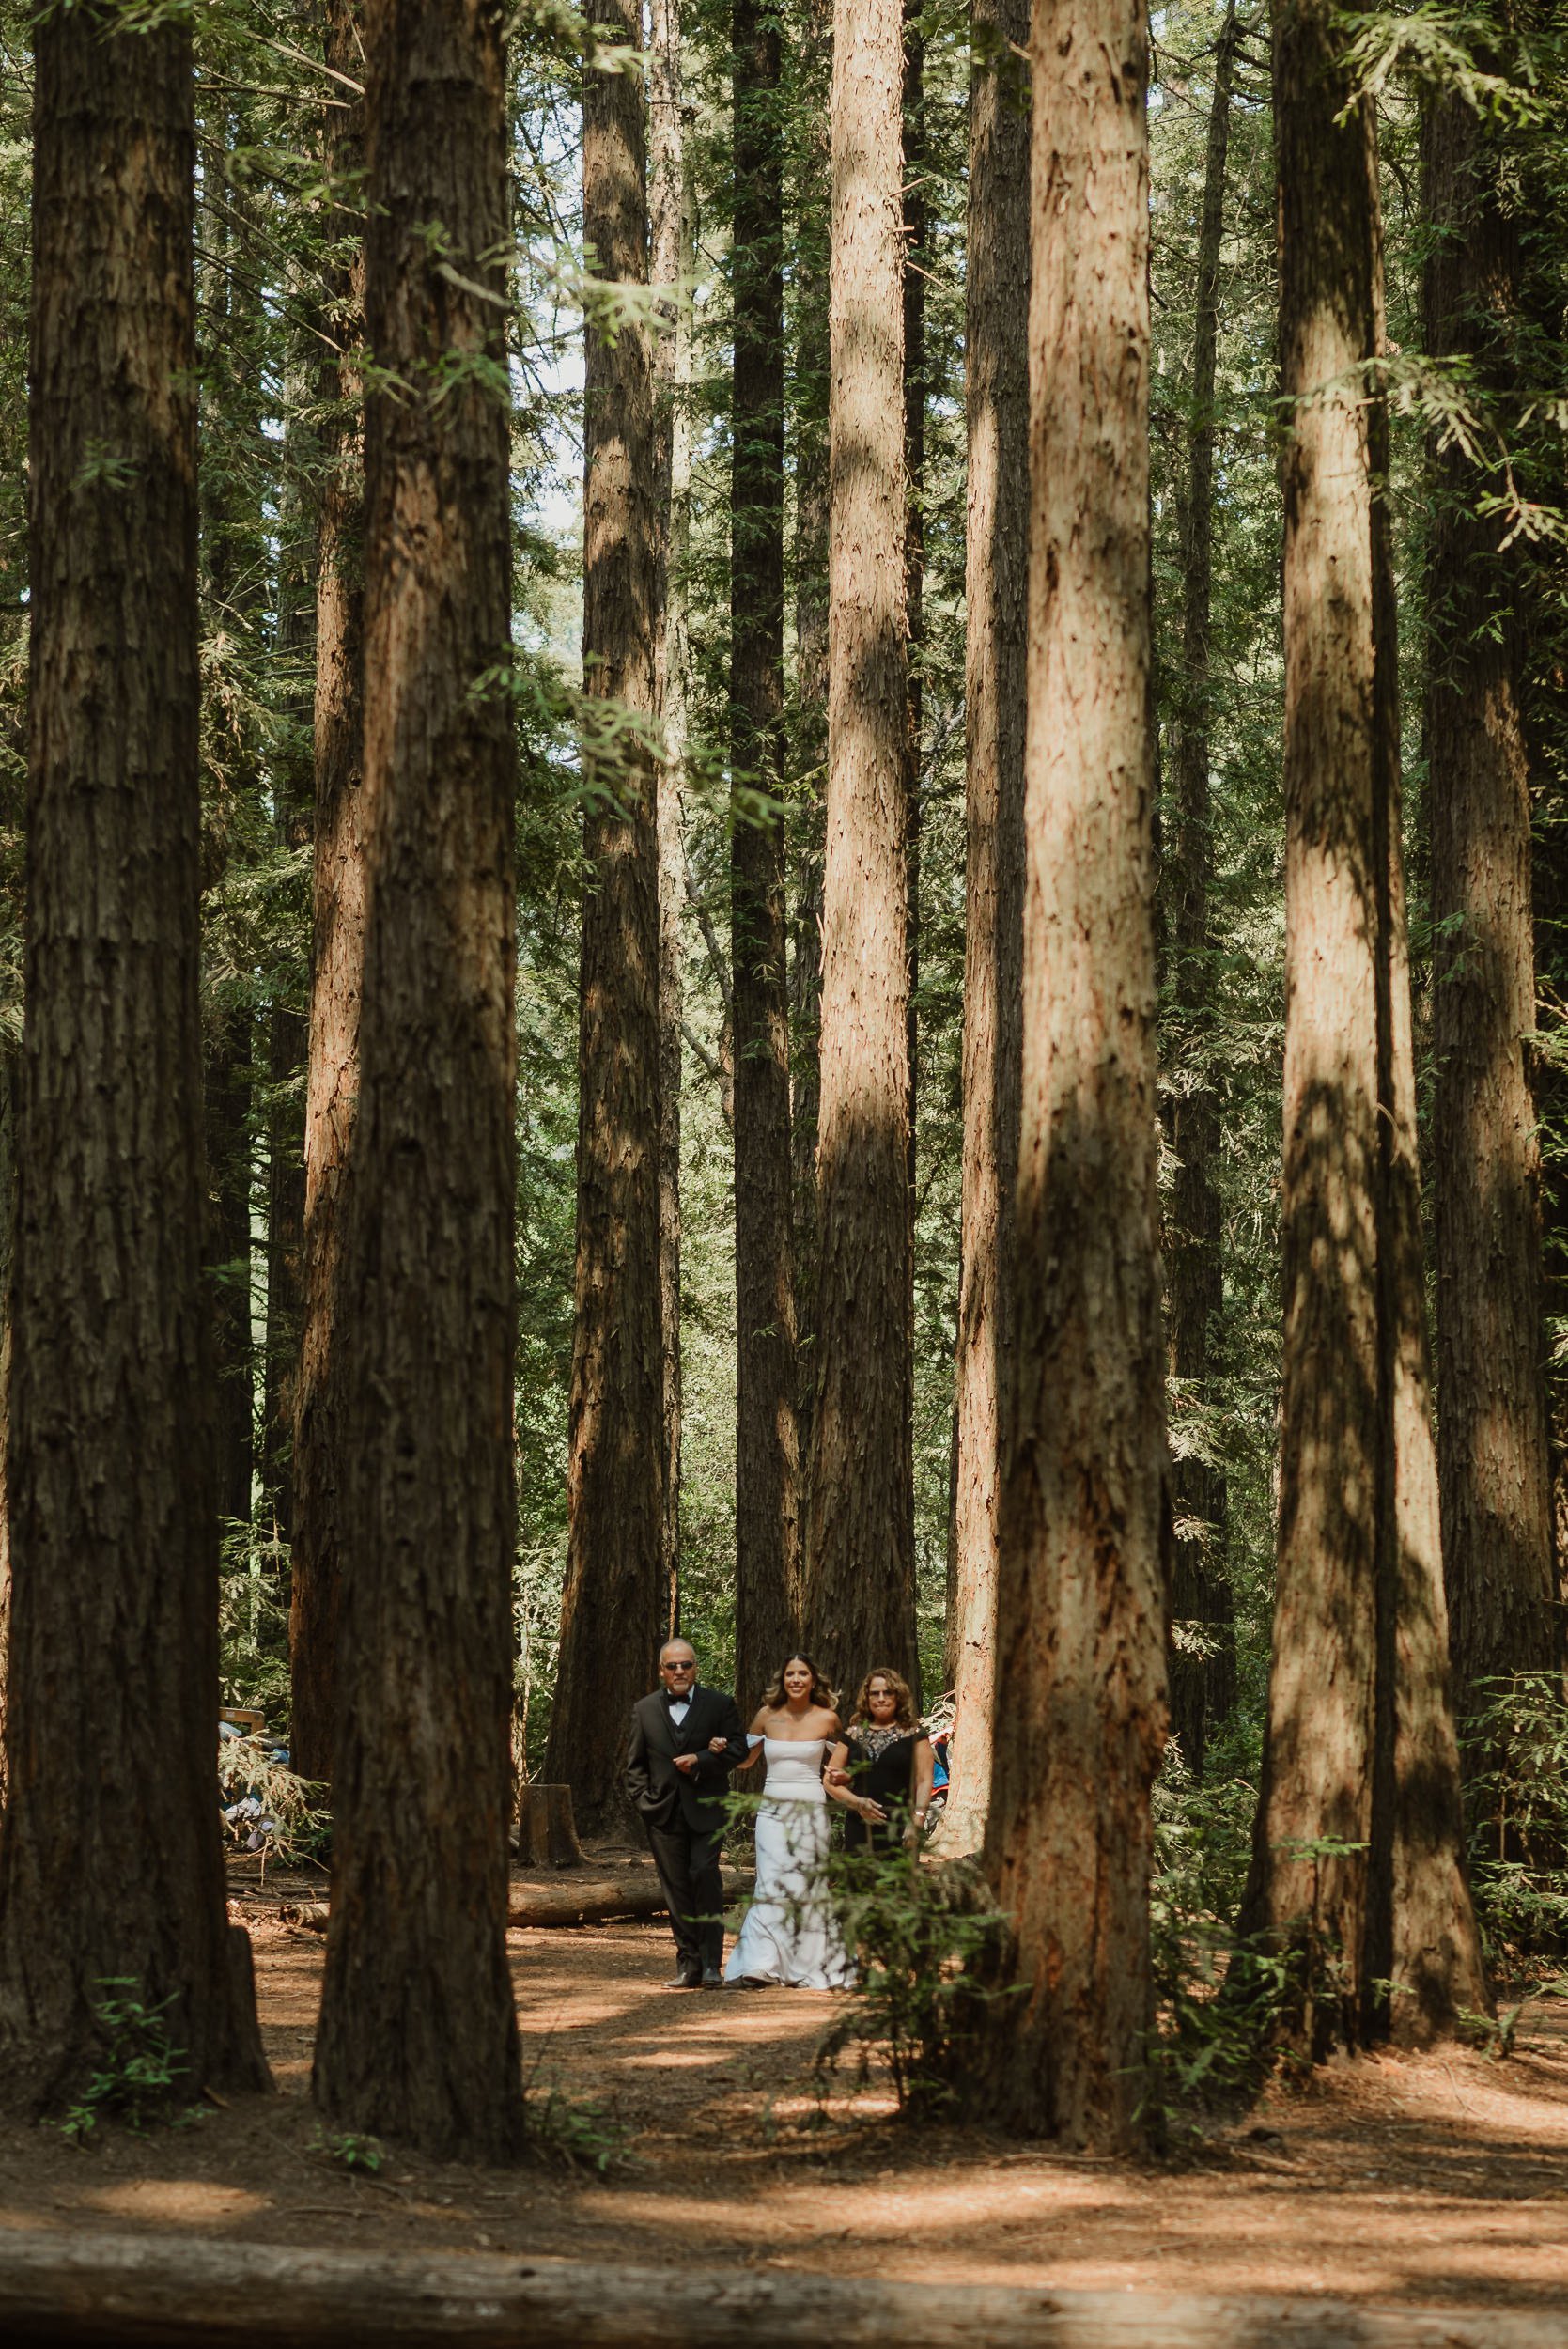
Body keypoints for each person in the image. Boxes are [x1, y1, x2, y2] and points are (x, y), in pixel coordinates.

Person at [722, 1653, 856, 1991]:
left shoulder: (828, 1718)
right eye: (790, 1674)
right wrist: (720, 1746)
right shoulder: (767, 1716)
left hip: (810, 1807)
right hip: (772, 1810)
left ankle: (818, 1963)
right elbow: (744, 1762)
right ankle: (761, 1963)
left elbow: (843, 1762)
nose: (796, 1680)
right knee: (770, 1881)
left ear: (813, 1680)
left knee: (808, 1883)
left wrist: (844, 1775)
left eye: (803, 1674)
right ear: (783, 1680)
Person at [625, 1638, 750, 1989]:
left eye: (686, 1665)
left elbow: (739, 1750)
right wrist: (645, 1804)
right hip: (662, 1814)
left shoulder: (719, 1705)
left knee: (704, 1875)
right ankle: (688, 1965)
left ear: (696, 1667)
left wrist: (703, 1759)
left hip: (708, 1809)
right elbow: (634, 1766)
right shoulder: (644, 1709)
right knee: (676, 1889)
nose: (679, 1671)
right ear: (661, 1670)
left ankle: (712, 1964)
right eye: (672, 1666)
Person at [828, 1667, 935, 1855]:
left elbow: (924, 1780)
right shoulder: (852, 1734)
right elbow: (829, 1781)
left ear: (898, 1695)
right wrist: (856, 1802)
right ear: (867, 1698)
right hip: (859, 1825)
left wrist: (917, 1820)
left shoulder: (915, 1734)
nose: (881, 1698)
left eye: (887, 1692)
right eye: (874, 1693)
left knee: (897, 1883)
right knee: (860, 1883)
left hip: (900, 1825)